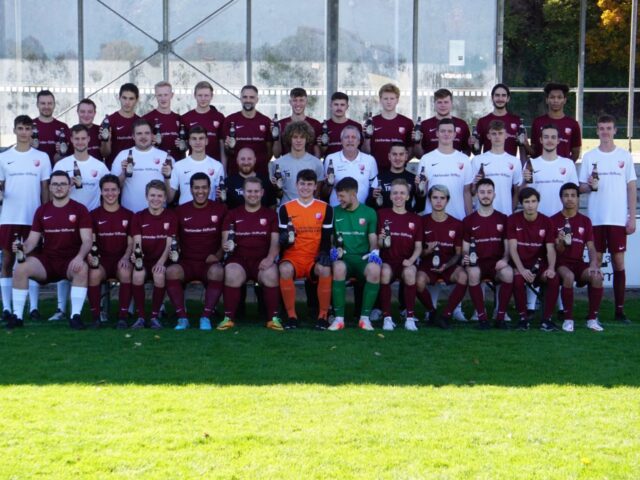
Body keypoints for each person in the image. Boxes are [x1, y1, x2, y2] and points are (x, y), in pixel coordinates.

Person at [8, 170, 91, 330]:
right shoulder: (42, 210)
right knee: (20, 268)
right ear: (50, 187)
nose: (59, 187)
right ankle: (17, 316)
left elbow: (87, 240)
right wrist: (22, 248)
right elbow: (32, 241)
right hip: (48, 261)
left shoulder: (80, 209)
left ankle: (75, 316)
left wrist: (80, 257)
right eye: (55, 184)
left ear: (69, 186)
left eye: (63, 184)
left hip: (70, 260)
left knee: (82, 268)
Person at [579, 114, 637, 323]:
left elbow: (631, 187)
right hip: (596, 219)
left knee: (618, 263)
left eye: (608, 128)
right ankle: (593, 312)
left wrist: (632, 217)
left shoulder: (624, 156)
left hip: (617, 219)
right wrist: (589, 185)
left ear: (615, 131)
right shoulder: (589, 157)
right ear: (596, 131)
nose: (605, 132)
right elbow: (581, 187)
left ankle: (619, 311)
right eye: (601, 128)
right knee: (595, 264)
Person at [49, 124, 110, 322]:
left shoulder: (99, 166)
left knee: (94, 262)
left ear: (89, 140)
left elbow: (108, 192)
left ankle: (99, 308)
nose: (80, 142)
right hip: (66, 221)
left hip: (92, 222)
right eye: (76, 139)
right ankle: (61, 308)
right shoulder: (62, 165)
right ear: (71, 141)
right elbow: (54, 192)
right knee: (65, 261)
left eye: (83, 138)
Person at [0, 116, 50, 322]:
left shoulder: (42, 157)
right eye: (20, 128)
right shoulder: (4, 157)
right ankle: (6, 307)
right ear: (14, 130)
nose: (23, 132)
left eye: (27, 128)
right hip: (9, 218)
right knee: (7, 261)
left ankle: (34, 308)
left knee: (32, 260)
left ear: (32, 131)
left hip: (33, 219)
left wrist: (46, 217)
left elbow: (45, 189)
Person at [218, 177, 282, 330]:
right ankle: (228, 318)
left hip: (262, 259)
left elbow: (275, 242)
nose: (253, 194)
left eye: (256, 191)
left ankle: (273, 319)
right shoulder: (232, 214)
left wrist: (270, 258)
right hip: (239, 260)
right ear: (243, 192)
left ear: (262, 193)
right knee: (231, 272)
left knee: (271, 273)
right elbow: (225, 240)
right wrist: (226, 246)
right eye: (249, 191)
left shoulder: (271, 215)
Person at [166, 173, 227, 330]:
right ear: (191, 189)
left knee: (218, 272)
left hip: (209, 262)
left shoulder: (220, 209)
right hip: (187, 262)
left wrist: (218, 255)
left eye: (204, 188)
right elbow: (173, 238)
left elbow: (226, 238)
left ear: (210, 189)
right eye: (197, 188)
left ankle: (206, 317)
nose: (201, 191)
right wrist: (175, 254)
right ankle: (182, 318)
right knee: (171, 272)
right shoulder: (180, 211)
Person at [278, 170, 333, 329]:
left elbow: (326, 236)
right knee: (285, 269)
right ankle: (291, 316)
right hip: (293, 257)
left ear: (315, 186)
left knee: (325, 269)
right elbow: (284, 238)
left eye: (309, 184)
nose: (305, 188)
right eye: (302, 184)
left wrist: (324, 252)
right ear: (296, 185)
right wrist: (283, 241)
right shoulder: (285, 208)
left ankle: (323, 316)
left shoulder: (326, 208)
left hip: (313, 258)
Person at [327, 177, 381, 331]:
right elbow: (331, 238)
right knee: (338, 268)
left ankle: (365, 319)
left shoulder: (369, 212)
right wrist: (332, 249)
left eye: (342, 196)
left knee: (375, 269)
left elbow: (372, 238)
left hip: (362, 259)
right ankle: (339, 319)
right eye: (338, 196)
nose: (339, 199)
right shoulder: (334, 212)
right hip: (344, 259)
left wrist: (374, 251)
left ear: (353, 194)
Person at [551, 182, 604, 332]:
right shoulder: (553, 220)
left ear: (578, 198)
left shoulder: (585, 221)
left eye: (573, 195)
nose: (569, 199)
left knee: (596, 276)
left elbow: (591, 247)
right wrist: (561, 241)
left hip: (578, 263)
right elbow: (557, 250)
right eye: (566, 195)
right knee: (568, 276)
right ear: (561, 198)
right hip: (560, 263)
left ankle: (592, 319)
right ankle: (568, 320)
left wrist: (593, 264)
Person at [461, 178, 513, 329]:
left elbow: (508, 246)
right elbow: (465, 247)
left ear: (494, 195)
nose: (486, 195)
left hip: (496, 264)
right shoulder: (468, 220)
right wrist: (466, 256)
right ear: (476, 194)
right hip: (477, 263)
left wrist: (505, 259)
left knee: (508, 273)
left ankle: (500, 317)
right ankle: (482, 318)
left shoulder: (503, 218)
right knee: (473, 273)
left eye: (489, 192)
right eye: (482, 192)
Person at [507, 187, 560, 332]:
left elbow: (550, 248)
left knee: (553, 278)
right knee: (518, 279)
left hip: (539, 266)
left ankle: (546, 320)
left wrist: (551, 268)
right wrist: (521, 269)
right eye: (526, 202)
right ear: (521, 203)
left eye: (533, 201)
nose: (530, 205)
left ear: (538, 202)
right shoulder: (513, 219)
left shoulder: (547, 221)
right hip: (520, 264)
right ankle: (523, 319)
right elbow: (512, 248)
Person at [415, 185, 468, 329]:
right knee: (417, 281)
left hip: (448, 264)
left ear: (447, 200)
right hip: (427, 265)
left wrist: (447, 265)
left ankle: (446, 315)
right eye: (435, 198)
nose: (438, 201)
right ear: (429, 200)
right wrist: (428, 250)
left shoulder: (457, 224)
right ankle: (432, 312)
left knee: (463, 276)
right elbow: (418, 252)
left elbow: (458, 253)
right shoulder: (421, 222)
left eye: (442, 198)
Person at [128, 180, 178, 329]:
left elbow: (170, 243)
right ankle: (141, 317)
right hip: (144, 260)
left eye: (159, 196)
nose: (156, 199)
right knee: (137, 274)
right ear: (146, 196)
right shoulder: (138, 216)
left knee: (159, 274)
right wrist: (136, 256)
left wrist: (161, 262)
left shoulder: (171, 216)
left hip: (162, 260)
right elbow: (137, 242)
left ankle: (155, 317)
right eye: (152, 195)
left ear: (165, 198)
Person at [87, 175, 133, 329]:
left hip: (121, 259)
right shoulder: (93, 215)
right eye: (106, 190)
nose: (110, 193)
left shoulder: (129, 215)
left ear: (119, 191)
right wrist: (92, 256)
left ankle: (122, 318)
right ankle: (96, 318)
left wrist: (126, 257)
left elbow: (131, 243)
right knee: (93, 274)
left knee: (125, 272)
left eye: (113, 190)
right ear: (101, 192)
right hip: (102, 261)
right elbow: (91, 241)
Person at [377, 179, 422, 331]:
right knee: (384, 272)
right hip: (387, 261)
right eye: (395, 193)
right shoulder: (382, 215)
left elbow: (418, 247)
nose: (398, 196)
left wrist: (411, 260)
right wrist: (381, 240)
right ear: (390, 196)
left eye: (402, 193)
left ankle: (409, 318)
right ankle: (387, 318)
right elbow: (378, 244)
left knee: (410, 273)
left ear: (408, 196)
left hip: (405, 261)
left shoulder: (415, 219)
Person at [111, 118, 174, 214]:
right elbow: (112, 189)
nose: (143, 136)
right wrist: (124, 173)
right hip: (130, 215)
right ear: (133, 136)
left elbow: (170, 198)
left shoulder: (166, 157)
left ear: (152, 135)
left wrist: (167, 177)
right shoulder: (123, 156)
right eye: (139, 133)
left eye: (147, 133)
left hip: (157, 216)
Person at [416, 118, 473, 220]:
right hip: (432, 219)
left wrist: (470, 220)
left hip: (458, 218)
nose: (446, 134)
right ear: (437, 133)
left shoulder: (464, 159)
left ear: (455, 134)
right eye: (443, 131)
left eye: (450, 131)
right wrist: (418, 186)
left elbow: (467, 192)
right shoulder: (426, 159)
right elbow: (422, 193)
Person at [523, 124, 578, 217]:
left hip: (562, 218)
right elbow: (523, 193)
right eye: (546, 137)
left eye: (553, 137)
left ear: (558, 140)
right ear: (541, 140)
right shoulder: (531, 163)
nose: (549, 140)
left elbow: (575, 195)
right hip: (538, 219)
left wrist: (574, 218)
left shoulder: (568, 164)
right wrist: (524, 181)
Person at [471, 120, 522, 215]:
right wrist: (475, 184)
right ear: (488, 136)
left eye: (500, 133)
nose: (497, 136)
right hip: (482, 215)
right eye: (494, 133)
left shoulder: (515, 161)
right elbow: (472, 191)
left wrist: (510, 210)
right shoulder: (477, 160)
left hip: (505, 214)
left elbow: (517, 191)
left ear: (506, 135)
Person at [321, 125, 378, 207]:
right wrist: (328, 184)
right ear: (341, 141)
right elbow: (324, 192)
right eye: (346, 137)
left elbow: (373, 190)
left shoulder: (370, 160)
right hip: (337, 210)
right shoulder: (331, 159)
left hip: (361, 211)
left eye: (353, 137)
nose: (350, 140)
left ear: (359, 141)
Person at [222, 85, 272, 177]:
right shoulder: (230, 120)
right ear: (240, 99)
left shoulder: (266, 121)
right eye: (245, 97)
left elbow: (269, 151)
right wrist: (228, 148)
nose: (248, 100)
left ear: (257, 99)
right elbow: (226, 150)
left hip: (260, 175)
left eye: (251, 97)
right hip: (235, 175)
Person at [167, 125, 225, 205]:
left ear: (206, 141)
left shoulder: (217, 166)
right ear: (189, 142)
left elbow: (220, 197)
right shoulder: (178, 166)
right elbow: (169, 198)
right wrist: (166, 177)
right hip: (184, 211)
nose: (197, 142)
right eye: (194, 139)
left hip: (209, 211)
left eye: (201, 138)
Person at [269, 121, 324, 203]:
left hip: (308, 209)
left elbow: (317, 193)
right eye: (295, 137)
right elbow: (277, 194)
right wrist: (276, 188)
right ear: (289, 139)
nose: (298, 140)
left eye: (302, 137)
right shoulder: (278, 164)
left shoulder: (316, 163)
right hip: (286, 208)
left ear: (307, 139)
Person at [361, 83, 413, 171]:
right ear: (380, 100)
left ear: (397, 100)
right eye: (385, 98)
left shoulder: (407, 122)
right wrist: (366, 138)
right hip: (375, 171)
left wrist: (400, 164)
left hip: (398, 172)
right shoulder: (372, 122)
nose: (389, 102)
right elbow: (365, 152)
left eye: (392, 98)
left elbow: (411, 150)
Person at [529, 82, 581, 161]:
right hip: (541, 168)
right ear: (547, 100)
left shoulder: (573, 124)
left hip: (562, 168)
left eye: (559, 97)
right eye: (552, 97)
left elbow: (576, 153)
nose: (556, 100)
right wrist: (525, 144)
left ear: (564, 100)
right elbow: (533, 152)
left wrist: (566, 166)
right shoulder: (537, 122)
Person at [414, 88, 470, 157]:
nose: (443, 105)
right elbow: (419, 156)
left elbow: (467, 152)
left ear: (451, 103)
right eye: (439, 102)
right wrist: (417, 143)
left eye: (446, 102)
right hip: (431, 163)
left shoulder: (462, 124)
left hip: (455, 163)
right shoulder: (424, 125)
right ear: (434, 104)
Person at [181, 80, 226, 166]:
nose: (203, 99)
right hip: (193, 165)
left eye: (206, 95)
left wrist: (223, 168)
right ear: (195, 96)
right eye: (200, 95)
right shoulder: (186, 118)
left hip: (214, 166)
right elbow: (183, 147)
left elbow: (222, 147)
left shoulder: (219, 117)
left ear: (211, 96)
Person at [368, 142, 423, 212]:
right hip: (384, 218)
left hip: (406, 218)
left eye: (401, 154)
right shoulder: (379, 178)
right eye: (394, 154)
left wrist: (420, 192)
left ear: (406, 156)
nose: (397, 158)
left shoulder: (413, 179)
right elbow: (369, 204)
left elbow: (420, 207)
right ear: (389, 156)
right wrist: (372, 197)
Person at [475, 83, 525, 157]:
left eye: (503, 95)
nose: (500, 99)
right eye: (497, 95)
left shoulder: (517, 121)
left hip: (510, 164)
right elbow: (476, 151)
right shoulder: (482, 121)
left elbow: (522, 149)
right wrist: (472, 144)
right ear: (492, 98)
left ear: (508, 98)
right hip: (488, 163)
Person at [272, 87, 322, 158]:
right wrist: (276, 136)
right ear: (290, 102)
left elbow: (318, 153)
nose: (298, 104)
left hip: (308, 164)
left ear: (306, 102)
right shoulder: (281, 124)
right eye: (295, 100)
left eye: (301, 100)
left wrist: (314, 164)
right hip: (287, 164)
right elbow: (276, 155)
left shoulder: (316, 124)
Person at [100, 83, 140, 169]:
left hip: (136, 169)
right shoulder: (109, 121)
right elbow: (104, 154)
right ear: (119, 98)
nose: (127, 102)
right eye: (124, 98)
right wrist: (106, 141)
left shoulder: (140, 122)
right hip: (114, 170)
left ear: (137, 100)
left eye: (131, 99)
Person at [143, 80, 186, 161]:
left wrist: (184, 145)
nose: (163, 98)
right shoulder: (147, 119)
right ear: (155, 96)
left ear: (172, 95)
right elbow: (140, 144)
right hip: (155, 164)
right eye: (160, 95)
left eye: (166, 95)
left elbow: (188, 145)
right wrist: (149, 140)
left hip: (176, 164)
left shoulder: (179, 119)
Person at [32, 89, 71, 166]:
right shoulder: (29, 126)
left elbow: (69, 155)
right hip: (34, 170)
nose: (46, 106)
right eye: (43, 103)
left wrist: (62, 152)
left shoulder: (63, 127)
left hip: (56, 171)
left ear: (54, 105)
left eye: (49, 103)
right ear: (37, 105)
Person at [321, 92, 362, 157]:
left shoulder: (356, 126)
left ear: (347, 107)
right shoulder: (322, 127)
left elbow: (362, 150)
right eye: (336, 104)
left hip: (352, 162)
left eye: (342, 105)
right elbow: (319, 153)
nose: (339, 108)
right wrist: (322, 146)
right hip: (330, 162)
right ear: (330, 105)